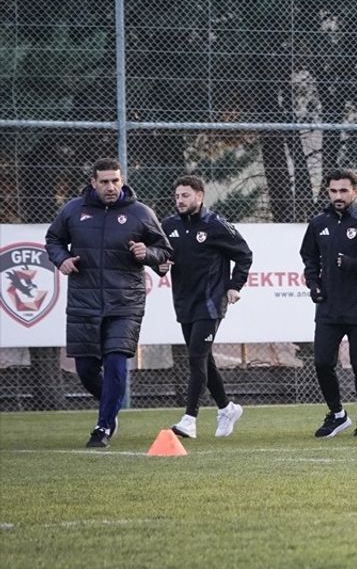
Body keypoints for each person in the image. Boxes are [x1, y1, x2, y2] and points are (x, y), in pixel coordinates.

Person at [45, 158, 172, 448]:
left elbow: (164, 251)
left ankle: (103, 427)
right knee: (86, 370)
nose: (111, 187)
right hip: (84, 301)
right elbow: (53, 239)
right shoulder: (73, 210)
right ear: (93, 183)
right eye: (104, 181)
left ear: (122, 179)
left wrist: (147, 254)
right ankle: (110, 407)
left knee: (116, 362)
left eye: (115, 180)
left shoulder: (141, 213)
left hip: (125, 302)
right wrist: (62, 259)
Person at [158, 175, 253, 439]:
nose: (180, 200)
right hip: (184, 302)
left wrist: (235, 285)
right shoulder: (169, 225)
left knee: (196, 358)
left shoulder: (216, 225)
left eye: (185, 195)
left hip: (211, 303)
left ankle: (189, 419)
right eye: (177, 196)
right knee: (203, 359)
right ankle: (227, 408)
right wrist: (160, 266)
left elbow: (244, 254)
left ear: (200, 196)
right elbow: (161, 257)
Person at [300, 169, 357, 438]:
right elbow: (309, 257)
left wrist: (353, 264)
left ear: (355, 192)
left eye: (343, 191)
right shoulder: (319, 223)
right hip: (328, 307)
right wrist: (314, 283)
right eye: (333, 191)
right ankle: (338, 414)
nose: (338, 196)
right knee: (322, 362)